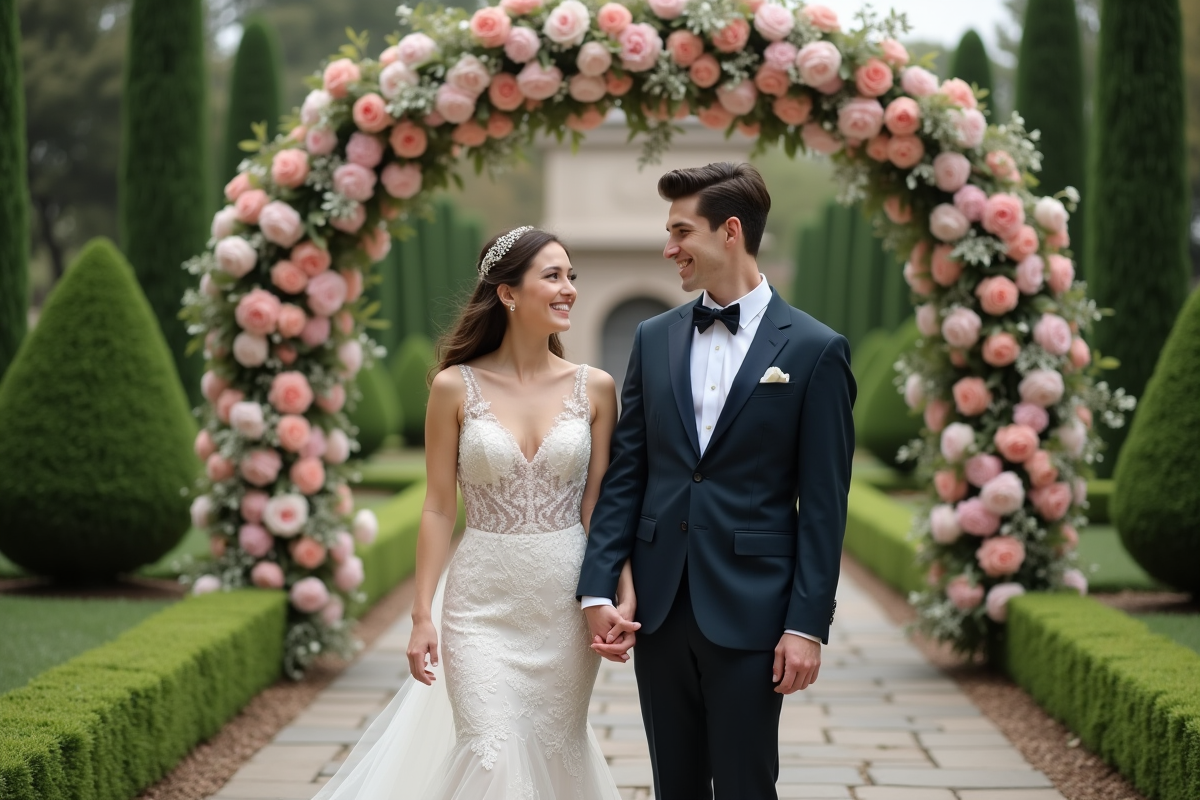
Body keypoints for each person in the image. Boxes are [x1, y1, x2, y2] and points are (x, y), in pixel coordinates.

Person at [313, 227, 630, 799]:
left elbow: (600, 504)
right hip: (480, 606)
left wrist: (617, 591)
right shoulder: (453, 388)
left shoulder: (598, 389)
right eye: (553, 276)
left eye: (572, 277)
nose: (569, 290)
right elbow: (438, 507)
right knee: (491, 756)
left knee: (557, 753)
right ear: (508, 294)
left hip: (564, 601)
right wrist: (419, 615)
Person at [576, 162, 857, 800]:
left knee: (745, 785)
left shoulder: (816, 350)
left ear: (730, 231)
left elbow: (822, 504)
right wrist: (598, 587)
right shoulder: (653, 338)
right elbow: (628, 474)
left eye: (682, 231)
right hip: (660, 605)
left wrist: (806, 625)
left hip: (754, 609)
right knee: (673, 785)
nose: (669, 247)